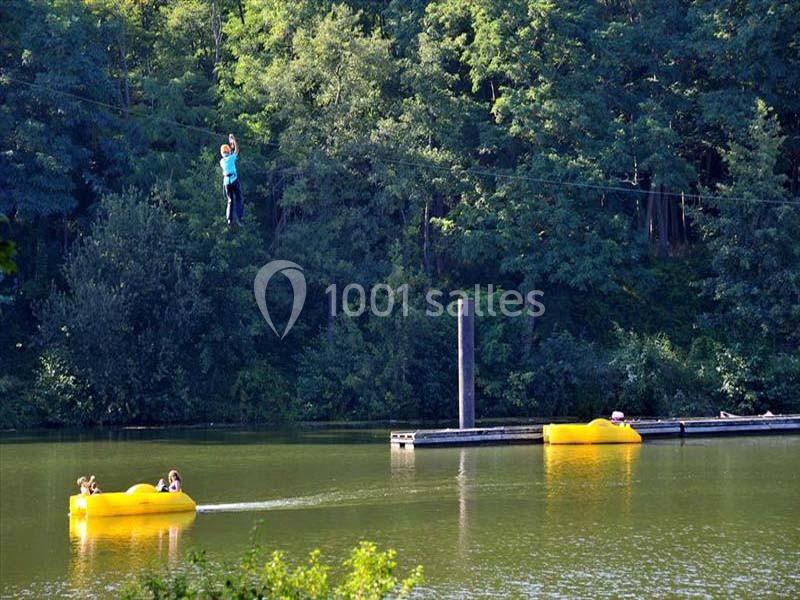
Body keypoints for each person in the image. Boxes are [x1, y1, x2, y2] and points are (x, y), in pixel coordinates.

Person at [219, 134, 244, 230]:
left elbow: (231, 153)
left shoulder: (222, 161)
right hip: (234, 180)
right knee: (238, 198)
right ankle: (239, 218)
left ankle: (229, 220)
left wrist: (231, 145)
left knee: (230, 201)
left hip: (226, 182)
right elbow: (237, 150)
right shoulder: (231, 158)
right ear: (228, 152)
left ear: (222, 153)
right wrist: (234, 141)